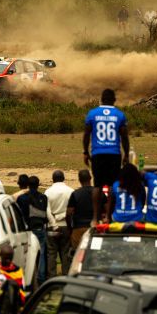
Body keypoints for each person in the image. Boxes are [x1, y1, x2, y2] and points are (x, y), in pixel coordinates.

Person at [83, 89, 130, 222]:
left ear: (101, 99)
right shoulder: (119, 115)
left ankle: (95, 218)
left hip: (97, 153)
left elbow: (86, 135)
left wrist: (85, 152)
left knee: (97, 185)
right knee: (113, 186)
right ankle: (109, 217)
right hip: (114, 154)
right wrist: (126, 154)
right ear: (114, 100)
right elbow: (124, 137)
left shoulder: (92, 114)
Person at [17, 176, 57, 285]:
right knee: (42, 254)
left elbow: (20, 215)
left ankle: (27, 277)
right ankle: (41, 277)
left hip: (27, 230)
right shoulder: (43, 198)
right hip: (40, 228)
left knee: (26, 254)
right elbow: (44, 214)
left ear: (28, 185)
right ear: (38, 185)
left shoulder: (22, 198)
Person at [45, 170, 74, 277]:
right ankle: (66, 275)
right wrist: (62, 216)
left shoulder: (48, 192)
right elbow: (72, 210)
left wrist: (54, 225)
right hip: (66, 226)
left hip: (52, 228)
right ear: (63, 178)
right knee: (65, 252)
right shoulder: (71, 191)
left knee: (51, 253)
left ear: (53, 179)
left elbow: (47, 211)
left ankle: (51, 277)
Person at [66, 169, 95, 252]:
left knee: (78, 253)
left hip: (78, 228)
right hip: (95, 228)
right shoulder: (97, 192)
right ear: (90, 178)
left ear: (79, 180)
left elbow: (68, 213)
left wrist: (70, 228)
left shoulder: (75, 194)